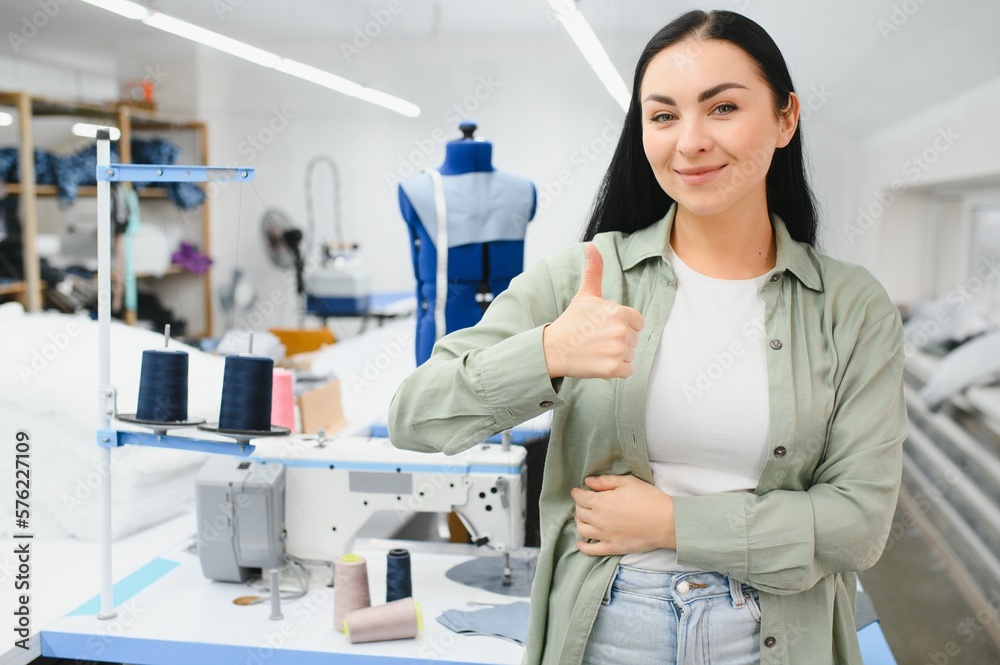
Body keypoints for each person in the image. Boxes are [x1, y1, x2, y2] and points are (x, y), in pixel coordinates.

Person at [388, 9, 907, 665]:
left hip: (777, 636)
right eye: (663, 116)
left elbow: (858, 524)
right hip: (608, 633)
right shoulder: (581, 278)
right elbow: (416, 416)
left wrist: (671, 523)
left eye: (721, 108)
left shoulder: (850, 307)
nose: (689, 141)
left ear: (785, 118)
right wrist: (548, 352)